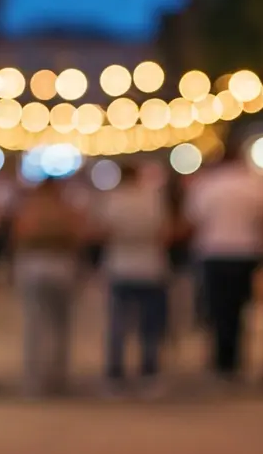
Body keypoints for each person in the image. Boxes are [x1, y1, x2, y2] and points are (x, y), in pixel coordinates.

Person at [185, 140, 263, 382]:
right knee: (240, 307)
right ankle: (233, 358)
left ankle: (220, 358)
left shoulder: (208, 184)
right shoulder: (255, 184)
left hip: (214, 251)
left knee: (216, 308)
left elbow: (193, 217)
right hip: (246, 251)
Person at [97, 163, 171, 395]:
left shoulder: (113, 200)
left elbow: (102, 232)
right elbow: (166, 232)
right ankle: (149, 373)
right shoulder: (153, 200)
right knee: (149, 326)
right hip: (151, 268)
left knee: (118, 326)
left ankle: (115, 373)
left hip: (120, 267)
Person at [12, 177, 81, 397]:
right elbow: (78, 235)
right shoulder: (66, 209)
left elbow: (19, 234)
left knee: (35, 326)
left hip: (34, 266)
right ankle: (57, 376)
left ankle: (34, 379)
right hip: (61, 267)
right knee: (61, 326)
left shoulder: (30, 209)